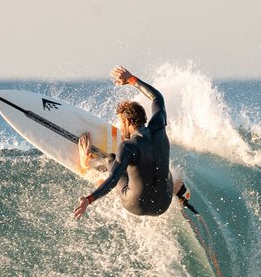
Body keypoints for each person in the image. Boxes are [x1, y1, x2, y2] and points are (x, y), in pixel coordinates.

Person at [73, 66, 186, 219]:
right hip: (163, 204)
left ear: (128, 121)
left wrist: (89, 199)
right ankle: (178, 190)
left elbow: (113, 180)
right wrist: (132, 79)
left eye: (121, 123)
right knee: (166, 173)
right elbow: (157, 98)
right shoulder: (159, 126)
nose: (120, 127)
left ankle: (88, 161)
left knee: (111, 160)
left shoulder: (129, 146)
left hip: (136, 205)